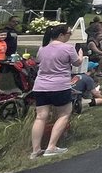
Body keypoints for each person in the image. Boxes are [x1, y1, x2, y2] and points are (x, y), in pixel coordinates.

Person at [29, 24, 81, 158]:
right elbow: (77, 63)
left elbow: (38, 61)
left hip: (40, 86)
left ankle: (36, 149)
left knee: (40, 116)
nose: (70, 36)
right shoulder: (68, 48)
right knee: (64, 114)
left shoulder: (42, 48)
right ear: (61, 35)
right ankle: (51, 146)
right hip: (59, 86)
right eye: (69, 33)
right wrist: (80, 55)